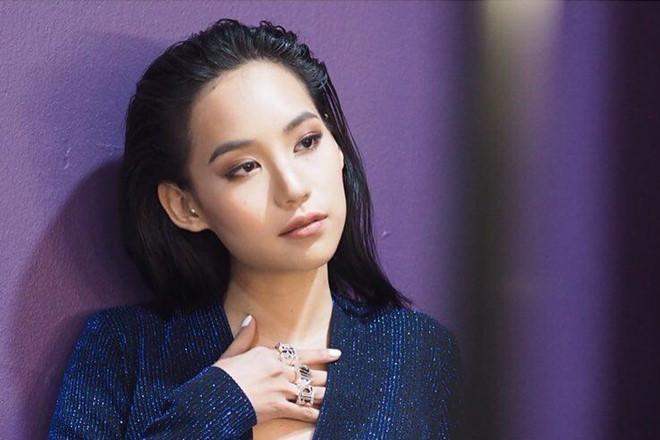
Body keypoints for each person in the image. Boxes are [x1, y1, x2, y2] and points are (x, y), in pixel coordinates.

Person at [47, 18, 463, 439]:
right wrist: (220, 403)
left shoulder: (416, 353)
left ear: (336, 145)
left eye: (307, 142)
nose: (293, 188)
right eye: (245, 167)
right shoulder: (125, 350)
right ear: (186, 206)